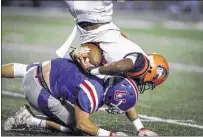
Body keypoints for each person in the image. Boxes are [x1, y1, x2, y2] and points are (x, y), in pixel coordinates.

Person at [2, 45, 158, 136]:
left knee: (25, 69)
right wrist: (110, 135)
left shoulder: (111, 73)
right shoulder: (92, 94)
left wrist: (140, 128)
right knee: (76, 128)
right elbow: (83, 124)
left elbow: (123, 96)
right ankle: (29, 118)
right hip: (38, 91)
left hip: (42, 68)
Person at [64, 1, 169, 93]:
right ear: (153, 71)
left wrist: (78, 56)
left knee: (90, 63)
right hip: (96, 14)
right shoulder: (141, 64)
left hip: (83, 18)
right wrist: (94, 70)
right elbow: (119, 66)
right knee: (94, 63)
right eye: (149, 83)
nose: (144, 85)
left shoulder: (127, 62)